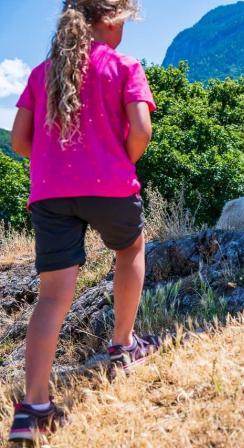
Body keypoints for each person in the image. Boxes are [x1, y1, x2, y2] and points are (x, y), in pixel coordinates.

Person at [8, 0, 160, 443]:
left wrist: (59, 166)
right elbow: (142, 129)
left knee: (52, 296)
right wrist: (118, 162)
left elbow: (19, 140)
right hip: (110, 185)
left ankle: (33, 408)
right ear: (111, 20)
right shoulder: (124, 66)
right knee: (129, 249)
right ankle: (123, 346)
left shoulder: (42, 73)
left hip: (51, 195)